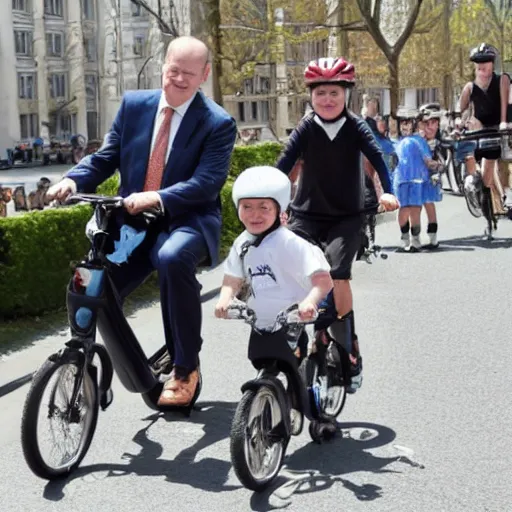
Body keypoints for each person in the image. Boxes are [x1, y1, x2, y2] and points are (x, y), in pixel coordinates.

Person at [46, 36, 237, 407]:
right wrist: (72, 179)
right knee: (91, 281)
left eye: (189, 73)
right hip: (133, 222)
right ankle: (86, 354)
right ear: (163, 66)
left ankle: (185, 367)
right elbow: (106, 156)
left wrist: (160, 197)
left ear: (205, 75)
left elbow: (207, 183)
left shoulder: (217, 123)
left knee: (171, 258)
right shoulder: (135, 105)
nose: (179, 79)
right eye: (174, 70)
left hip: (186, 218)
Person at [275, 57, 399, 392]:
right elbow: (282, 166)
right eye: (320, 93)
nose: (327, 99)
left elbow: (378, 159)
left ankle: (348, 343)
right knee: (290, 266)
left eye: (334, 92)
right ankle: (294, 330)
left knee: (336, 273)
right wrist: (269, 200)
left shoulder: (357, 127)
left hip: (346, 216)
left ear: (346, 94)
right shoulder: (305, 128)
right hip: (306, 213)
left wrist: (387, 191)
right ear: (310, 96)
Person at [215, 166, 333, 337]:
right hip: (261, 322)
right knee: (259, 358)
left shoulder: (290, 243)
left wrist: (310, 302)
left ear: (278, 210)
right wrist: (224, 299)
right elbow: (233, 278)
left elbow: (324, 281)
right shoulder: (241, 243)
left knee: (290, 360)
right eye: (247, 207)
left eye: (264, 208)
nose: (254, 215)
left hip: (295, 320)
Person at [458, 43, 511, 236]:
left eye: (485, 63)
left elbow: (505, 104)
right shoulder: (470, 87)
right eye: (478, 64)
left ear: (492, 63)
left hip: (497, 131)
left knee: (487, 177)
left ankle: (490, 220)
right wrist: (460, 123)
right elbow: (462, 112)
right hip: (477, 133)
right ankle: (487, 215)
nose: (482, 67)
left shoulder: (502, 80)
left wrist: (505, 122)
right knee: (476, 180)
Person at [418, 104, 444, 249]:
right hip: (416, 174)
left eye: (433, 123)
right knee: (414, 206)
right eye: (427, 123)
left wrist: (438, 167)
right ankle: (415, 235)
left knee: (428, 203)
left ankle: (433, 237)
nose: (430, 127)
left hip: (430, 176)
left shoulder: (438, 142)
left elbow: (442, 159)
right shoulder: (418, 139)